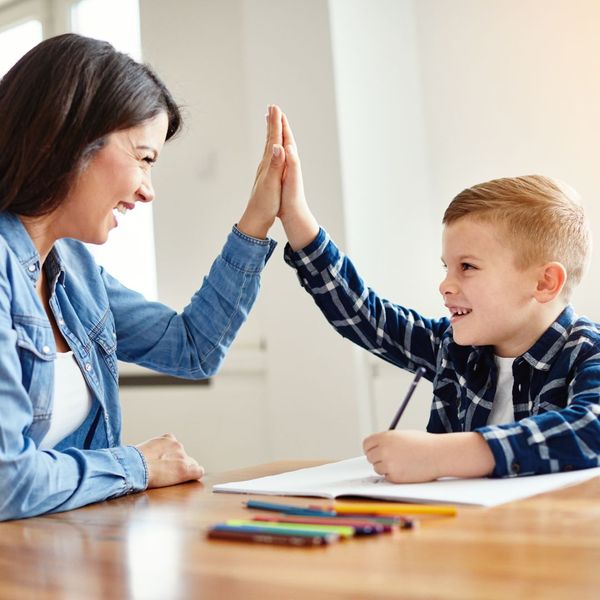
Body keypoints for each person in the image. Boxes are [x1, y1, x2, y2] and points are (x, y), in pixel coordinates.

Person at [0, 33, 286, 520]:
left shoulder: (74, 268)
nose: (148, 191)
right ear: (66, 138)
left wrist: (256, 219)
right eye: (144, 158)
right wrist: (137, 464)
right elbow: (7, 481)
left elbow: (192, 349)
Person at [276, 113, 600, 482]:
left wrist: (444, 456)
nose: (445, 285)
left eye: (467, 267)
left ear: (544, 283)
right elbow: (365, 316)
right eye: (446, 267)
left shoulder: (587, 351)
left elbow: (591, 427)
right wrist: (295, 216)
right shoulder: (453, 346)